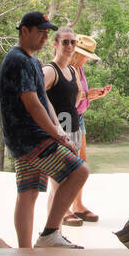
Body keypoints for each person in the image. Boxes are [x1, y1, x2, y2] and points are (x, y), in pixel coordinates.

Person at [0, 11, 89, 249]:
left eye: (47, 33)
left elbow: (43, 100)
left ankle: (25, 251)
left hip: (28, 139)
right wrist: (55, 134)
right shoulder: (18, 60)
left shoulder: (31, 61)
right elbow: (32, 102)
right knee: (79, 172)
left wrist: (58, 130)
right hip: (30, 138)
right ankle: (50, 233)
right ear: (24, 31)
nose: (44, 37)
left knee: (28, 193)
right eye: (40, 32)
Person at [42, 27, 92, 228]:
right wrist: (53, 126)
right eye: (65, 42)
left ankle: (54, 231)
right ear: (55, 45)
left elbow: (76, 97)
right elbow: (37, 97)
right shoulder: (49, 71)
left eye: (73, 42)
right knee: (59, 183)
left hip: (73, 129)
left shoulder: (72, 71)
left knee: (61, 185)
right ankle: (54, 231)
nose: (70, 46)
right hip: (57, 133)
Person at [66, 33, 111, 222]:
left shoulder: (79, 69)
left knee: (81, 162)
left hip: (79, 117)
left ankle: (77, 204)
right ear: (76, 53)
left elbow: (80, 95)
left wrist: (94, 95)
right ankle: (64, 208)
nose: (86, 60)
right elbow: (66, 98)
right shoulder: (66, 69)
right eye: (85, 55)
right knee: (68, 163)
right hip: (67, 119)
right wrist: (86, 95)